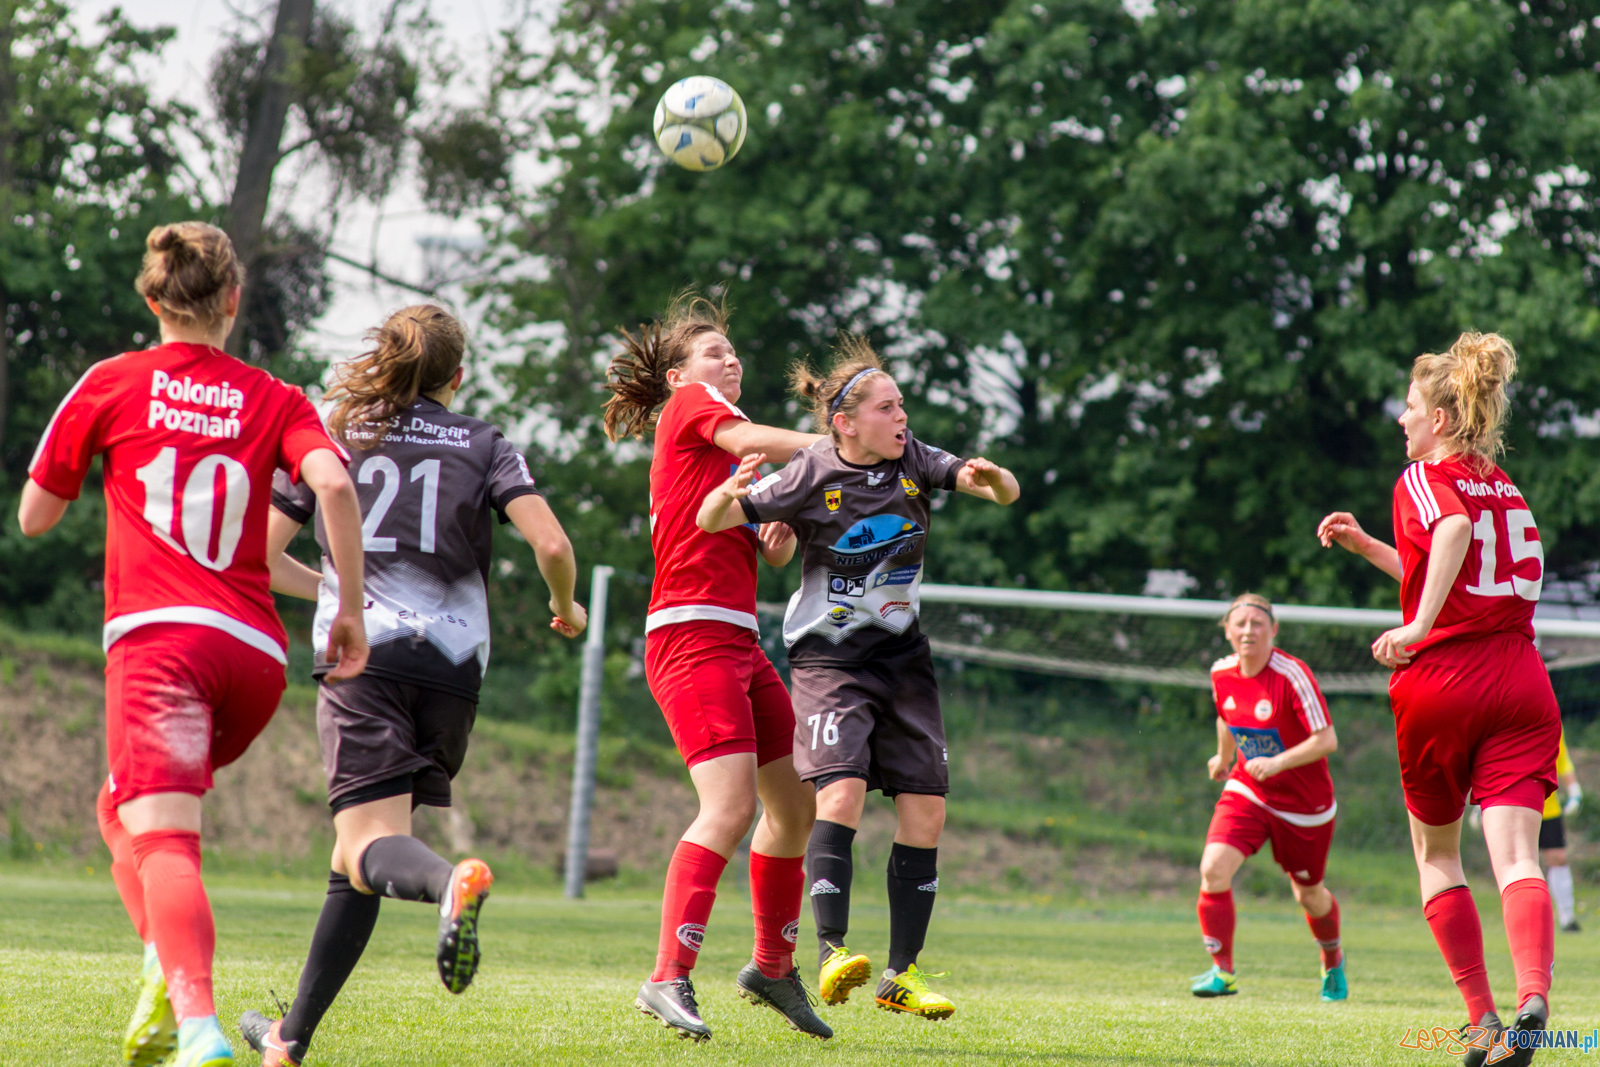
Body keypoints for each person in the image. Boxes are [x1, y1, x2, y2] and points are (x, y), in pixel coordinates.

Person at [20, 222, 368, 1067]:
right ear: (232, 301)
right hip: (252, 657)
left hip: (162, 648)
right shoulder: (276, 396)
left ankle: (199, 1027)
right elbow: (331, 481)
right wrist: (349, 607)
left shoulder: (114, 381)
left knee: (168, 838)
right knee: (120, 807)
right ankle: (162, 963)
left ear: (152, 298)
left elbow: (34, 517)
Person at [236, 305, 587, 1066]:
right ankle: (289, 1040)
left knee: (370, 843)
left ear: (389, 360)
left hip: (366, 662)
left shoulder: (338, 432)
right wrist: (566, 605)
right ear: (457, 375)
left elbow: (259, 555)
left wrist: (342, 587)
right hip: (453, 670)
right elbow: (554, 544)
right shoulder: (485, 441)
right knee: (357, 855)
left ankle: (449, 881)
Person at [697, 336, 1020, 1022]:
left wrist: (992, 479)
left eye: (902, 405)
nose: (902, 416)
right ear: (845, 422)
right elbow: (713, 519)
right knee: (840, 794)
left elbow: (1001, 491)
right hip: (830, 661)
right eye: (887, 407)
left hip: (904, 661)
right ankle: (831, 951)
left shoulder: (914, 459)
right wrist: (730, 494)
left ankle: (901, 974)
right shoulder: (811, 470)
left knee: (926, 812)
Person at [1318, 331, 1558, 1064]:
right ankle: (1534, 995)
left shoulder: (1425, 475)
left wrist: (1418, 627)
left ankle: (1483, 1018)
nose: (1402, 418)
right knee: (1517, 856)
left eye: (1411, 406)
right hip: (1522, 677)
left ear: (1442, 420)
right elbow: (1454, 570)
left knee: (1438, 854)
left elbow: (1450, 530)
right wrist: (1371, 548)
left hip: (1448, 680)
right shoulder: (1502, 484)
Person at [602, 292, 830, 1041]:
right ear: (677, 377)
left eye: (733, 352)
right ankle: (667, 975)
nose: (729, 359)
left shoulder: (728, 453)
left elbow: (773, 548)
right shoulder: (695, 408)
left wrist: (775, 536)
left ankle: (770, 967)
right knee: (728, 808)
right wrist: (833, 443)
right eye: (713, 351)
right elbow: (754, 434)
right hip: (690, 636)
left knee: (795, 806)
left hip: (738, 640)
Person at [1191, 593, 1345, 1001]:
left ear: (1273, 630)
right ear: (1227, 631)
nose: (1248, 631)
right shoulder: (1221, 672)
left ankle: (1332, 959)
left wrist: (1277, 763)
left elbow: (1326, 739)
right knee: (1213, 869)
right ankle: (1222, 972)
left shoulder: (1292, 675)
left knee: (1308, 895)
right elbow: (1226, 715)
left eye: (1257, 623)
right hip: (1249, 790)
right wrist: (1224, 757)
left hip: (1304, 806)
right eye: (1240, 624)